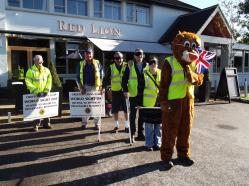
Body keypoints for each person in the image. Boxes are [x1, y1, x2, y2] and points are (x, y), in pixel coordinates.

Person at [159, 31, 204, 168]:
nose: (190, 49)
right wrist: (163, 102)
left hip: (188, 102)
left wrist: (194, 77)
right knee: (169, 131)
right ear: (177, 45)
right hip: (173, 102)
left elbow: (201, 79)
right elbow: (163, 85)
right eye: (187, 45)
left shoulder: (194, 64)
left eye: (193, 46)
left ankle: (183, 155)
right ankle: (166, 157)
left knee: (185, 131)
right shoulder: (170, 62)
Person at [122, 48, 147, 142]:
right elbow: (124, 79)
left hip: (144, 95)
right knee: (133, 116)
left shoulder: (147, 66)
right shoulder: (130, 65)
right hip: (133, 95)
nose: (139, 56)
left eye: (140, 54)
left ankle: (141, 134)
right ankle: (132, 134)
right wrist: (125, 90)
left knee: (142, 115)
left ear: (143, 55)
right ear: (134, 56)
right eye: (137, 54)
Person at [102, 52, 129, 132]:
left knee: (126, 109)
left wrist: (127, 90)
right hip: (115, 91)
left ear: (122, 58)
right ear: (114, 59)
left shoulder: (127, 66)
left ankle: (127, 126)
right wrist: (103, 87)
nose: (119, 60)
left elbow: (130, 78)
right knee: (115, 109)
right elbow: (106, 78)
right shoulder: (111, 67)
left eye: (120, 58)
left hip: (125, 91)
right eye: (117, 58)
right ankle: (116, 125)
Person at [77, 48, 103, 130]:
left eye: (90, 53)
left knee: (96, 106)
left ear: (92, 54)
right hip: (85, 87)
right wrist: (81, 87)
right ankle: (84, 123)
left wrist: (102, 87)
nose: (88, 55)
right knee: (85, 106)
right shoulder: (81, 64)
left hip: (96, 87)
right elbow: (78, 77)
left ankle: (97, 124)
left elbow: (102, 75)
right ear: (84, 55)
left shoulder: (98, 63)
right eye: (87, 53)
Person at [25, 55, 52, 132]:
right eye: (37, 60)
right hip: (36, 95)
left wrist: (47, 90)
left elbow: (49, 81)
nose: (39, 62)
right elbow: (28, 82)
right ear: (34, 61)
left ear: (42, 61)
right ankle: (36, 125)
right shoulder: (30, 71)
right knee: (36, 110)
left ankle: (46, 123)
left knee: (46, 108)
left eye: (40, 60)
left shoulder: (47, 70)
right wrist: (36, 91)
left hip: (45, 94)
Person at [142, 57, 161, 151]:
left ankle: (157, 143)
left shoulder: (161, 73)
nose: (153, 64)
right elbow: (140, 88)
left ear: (157, 64)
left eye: (155, 63)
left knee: (158, 125)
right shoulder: (144, 74)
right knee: (149, 125)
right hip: (148, 103)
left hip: (158, 103)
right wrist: (139, 102)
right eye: (151, 63)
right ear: (148, 64)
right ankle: (149, 144)